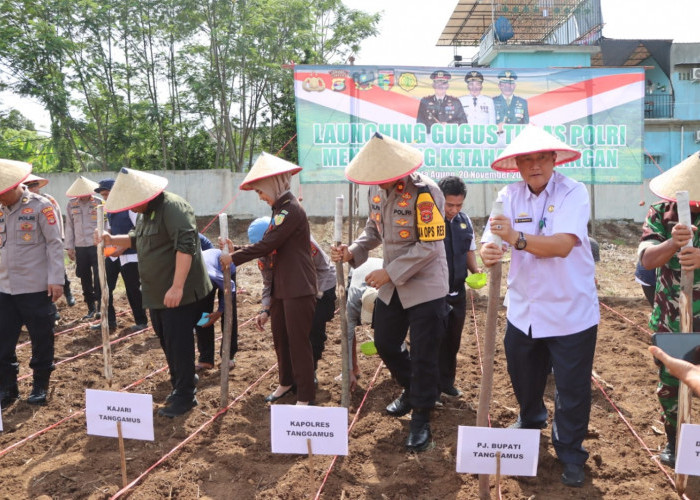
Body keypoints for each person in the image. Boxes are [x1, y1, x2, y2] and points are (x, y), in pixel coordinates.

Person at [479, 125, 599, 488]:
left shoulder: (573, 192)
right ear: (517, 163)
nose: (533, 165)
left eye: (540, 157)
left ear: (553, 159)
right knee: (524, 378)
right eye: (526, 159)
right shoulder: (509, 194)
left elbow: (562, 245)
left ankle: (571, 451)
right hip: (523, 311)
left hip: (570, 311)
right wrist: (488, 250)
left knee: (572, 388)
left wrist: (514, 239)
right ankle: (531, 419)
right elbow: (492, 237)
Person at [331, 132, 450, 452]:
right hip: (392, 285)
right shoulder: (376, 193)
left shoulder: (426, 192)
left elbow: (429, 246)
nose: (379, 181)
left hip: (425, 284)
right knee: (384, 341)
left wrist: (389, 272)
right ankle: (413, 389)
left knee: (424, 352)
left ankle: (422, 416)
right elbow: (373, 231)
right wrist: (352, 252)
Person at [96, 168, 212, 418]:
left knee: (178, 342)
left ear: (143, 196)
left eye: (131, 204)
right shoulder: (146, 213)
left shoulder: (173, 208)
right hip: (157, 291)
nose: (130, 209)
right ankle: (180, 382)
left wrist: (178, 286)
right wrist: (111, 239)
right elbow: (137, 239)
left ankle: (185, 396)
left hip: (177, 291)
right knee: (166, 339)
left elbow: (186, 246)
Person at [225, 153, 317, 406]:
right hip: (281, 287)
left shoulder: (291, 210)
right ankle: (286, 382)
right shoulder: (280, 210)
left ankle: (306, 396)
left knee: (298, 343)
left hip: (298, 286)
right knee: (281, 338)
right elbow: (268, 243)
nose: (261, 197)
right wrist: (237, 251)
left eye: (260, 192)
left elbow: (268, 244)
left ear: (272, 185)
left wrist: (233, 258)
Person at [637, 150, 700, 467]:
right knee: (672, 384)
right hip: (672, 318)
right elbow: (647, 260)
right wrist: (673, 244)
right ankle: (675, 443)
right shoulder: (661, 213)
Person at [0, 159, 64, 407]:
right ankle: (8, 388)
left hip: (36, 287)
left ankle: (39, 386)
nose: (1, 200)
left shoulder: (41, 206)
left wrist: (56, 280)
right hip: (4, 288)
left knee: (41, 339)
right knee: (3, 342)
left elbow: (54, 244)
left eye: (3, 194)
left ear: (15, 186)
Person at [247, 217, 336, 382]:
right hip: (291, 290)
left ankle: (311, 370)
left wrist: (313, 295)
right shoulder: (264, 257)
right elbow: (268, 283)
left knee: (313, 330)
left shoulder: (302, 242)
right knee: (289, 331)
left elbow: (323, 268)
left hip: (320, 286)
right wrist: (265, 309)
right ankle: (295, 372)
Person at [437, 176, 480, 400]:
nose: (454, 209)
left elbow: (469, 251)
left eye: (458, 205)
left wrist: (476, 271)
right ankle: (430, 389)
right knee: (433, 341)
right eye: (449, 204)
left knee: (453, 341)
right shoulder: (430, 222)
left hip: (458, 293)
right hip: (435, 295)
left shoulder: (465, 221)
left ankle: (446, 383)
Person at [90, 178, 148, 332]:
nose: (105, 198)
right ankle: (109, 321)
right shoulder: (108, 209)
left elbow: (139, 230)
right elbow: (109, 230)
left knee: (133, 289)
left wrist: (121, 248)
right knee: (104, 287)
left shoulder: (131, 208)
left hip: (130, 255)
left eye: (106, 194)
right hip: (114, 254)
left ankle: (141, 321)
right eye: (103, 195)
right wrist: (101, 237)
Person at [23, 174, 76, 310]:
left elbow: (57, 218)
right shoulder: (22, 203)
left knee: (59, 270)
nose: (33, 188)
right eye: (30, 186)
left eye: (35, 185)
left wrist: (60, 238)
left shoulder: (48, 200)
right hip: (34, 245)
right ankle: (51, 307)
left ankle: (68, 294)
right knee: (42, 277)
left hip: (51, 240)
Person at [65, 175, 103, 320]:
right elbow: (69, 226)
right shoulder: (71, 204)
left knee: (99, 276)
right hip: (80, 247)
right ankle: (91, 308)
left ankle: (101, 306)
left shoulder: (99, 203)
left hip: (96, 246)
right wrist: (69, 247)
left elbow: (105, 224)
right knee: (84, 277)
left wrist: (104, 242)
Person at [194, 247, 238, 371]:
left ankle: (229, 356)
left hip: (225, 269)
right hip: (204, 280)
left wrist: (220, 311)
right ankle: (206, 359)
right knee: (202, 316)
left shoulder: (209, 273)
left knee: (229, 315)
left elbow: (230, 286)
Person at [344, 257, 383, 389]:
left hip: (382, 270)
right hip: (359, 267)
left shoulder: (390, 296)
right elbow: (347, 336)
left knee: (389, 330)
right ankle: (354, 369)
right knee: (349, 326)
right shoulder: (353, 301)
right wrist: (348, 371)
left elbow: (398, 331)